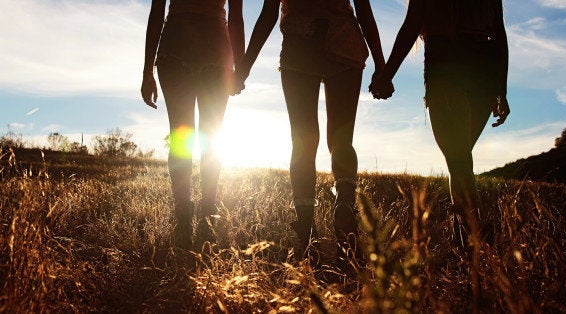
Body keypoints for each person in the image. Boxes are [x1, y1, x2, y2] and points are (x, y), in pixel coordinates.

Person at [369, 0, 510, 307]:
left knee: (458, 159)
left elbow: (411, 25)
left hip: (447, 62)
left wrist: (386, 73)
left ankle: (474, 237)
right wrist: (501, 88)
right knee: (460, 160)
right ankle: (472, 245)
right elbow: (499, 33)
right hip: (485, 67)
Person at [232, 0, 385, 268]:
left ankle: (306, 234)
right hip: (344, 42)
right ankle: (345, 205)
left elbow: (268, 13)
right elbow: (364, 9)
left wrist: (243, 68)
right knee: (341, 138)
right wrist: (382, 66)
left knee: (302, 140)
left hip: (300, 45)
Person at [141, 0, 244, 250]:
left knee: (183, 136)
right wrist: (239, 67)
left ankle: (188, 220)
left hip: (178, 44)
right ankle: (200, 219)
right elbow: (236, 16)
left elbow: (156, 13)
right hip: (213, 48)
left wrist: (147, 72)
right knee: (207, 137)